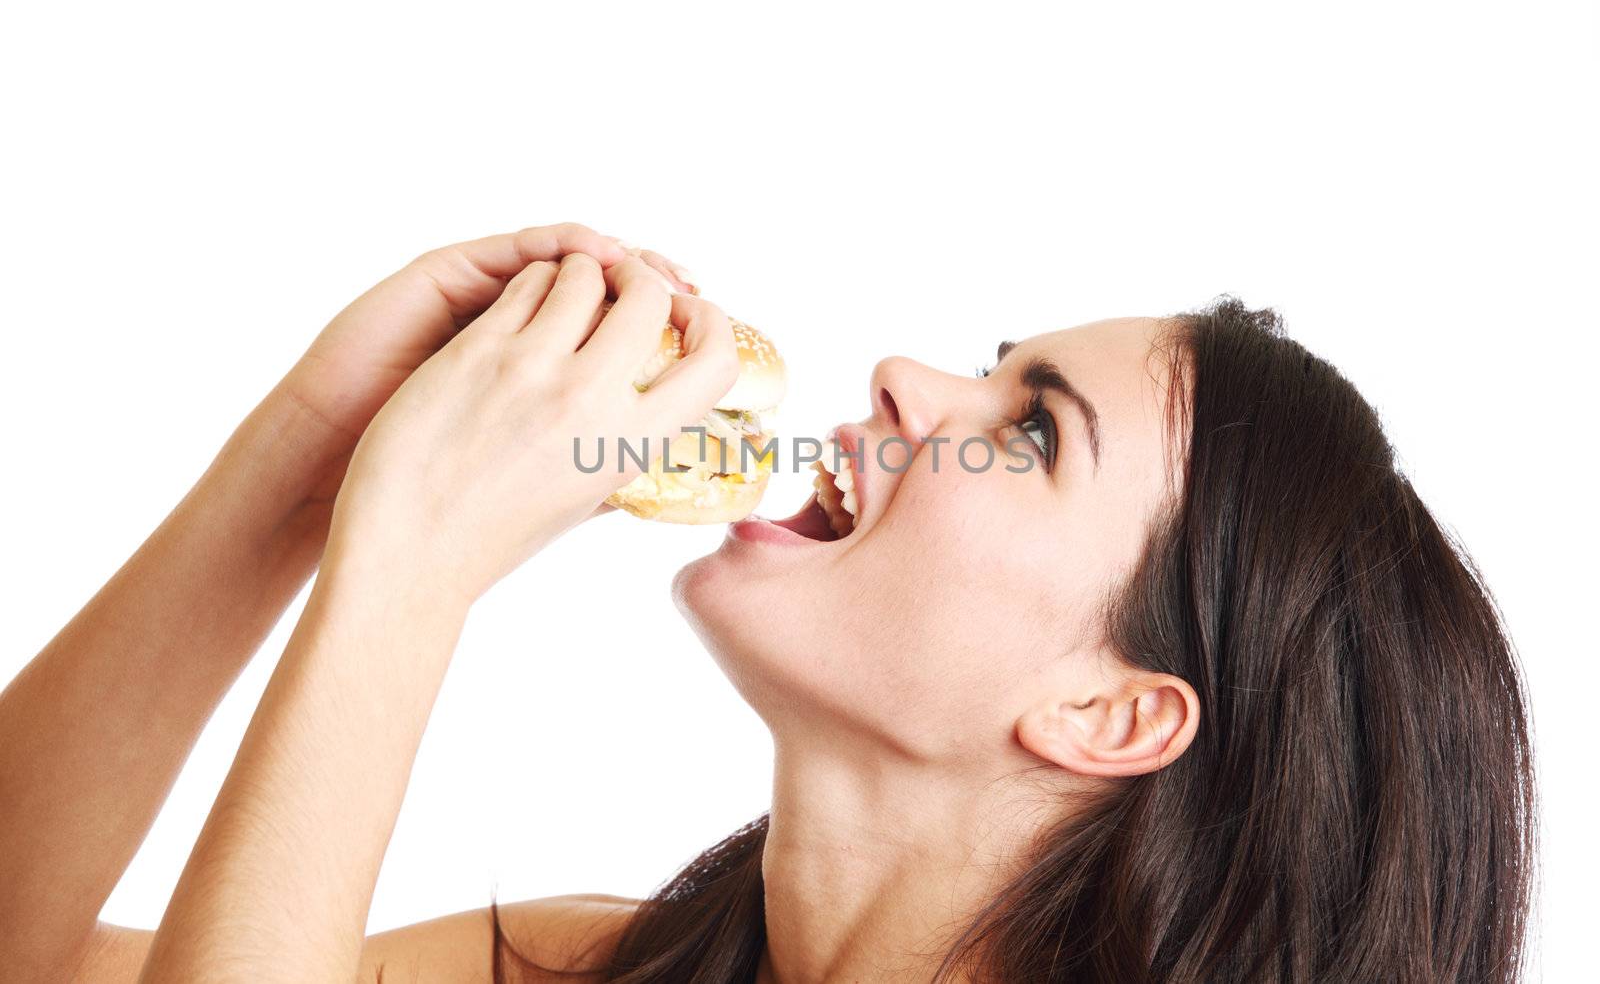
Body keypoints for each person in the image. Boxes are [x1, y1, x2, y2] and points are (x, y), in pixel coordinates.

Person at [0, 223, 1536, 983]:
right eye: (986, 363)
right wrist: (297, 471)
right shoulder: (584, 962)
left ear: (1109, 710)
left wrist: (411, 570)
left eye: (1026, 429)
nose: (902, 379)